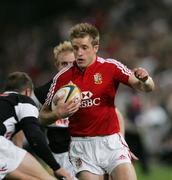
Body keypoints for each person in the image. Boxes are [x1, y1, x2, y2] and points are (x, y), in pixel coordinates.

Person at [39, 23, 155, 180]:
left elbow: (147, 87)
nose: (79, 53)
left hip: (111, 142)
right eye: (75, 48)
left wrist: (146, 79)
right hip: (82, 146)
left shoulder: (111, 67)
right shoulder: (62, 78)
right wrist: (57, 113)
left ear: (95, 47)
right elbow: (42, 116)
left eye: (84, 47)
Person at [32, 41, 128, 180]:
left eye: (71, 63)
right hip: (62, 157)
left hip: (88, 150)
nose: (68, 67)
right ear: (56, 65)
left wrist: (121, 146)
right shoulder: (47, 91)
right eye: (63, 63)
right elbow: (25, 111)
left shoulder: (87, 86)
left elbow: (116, 114)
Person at [0, 71, 72, 180]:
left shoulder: (5, 103)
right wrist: (56, 167)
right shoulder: (23, 100)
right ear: (28, 91)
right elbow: (34, 136)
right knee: (46, 178)